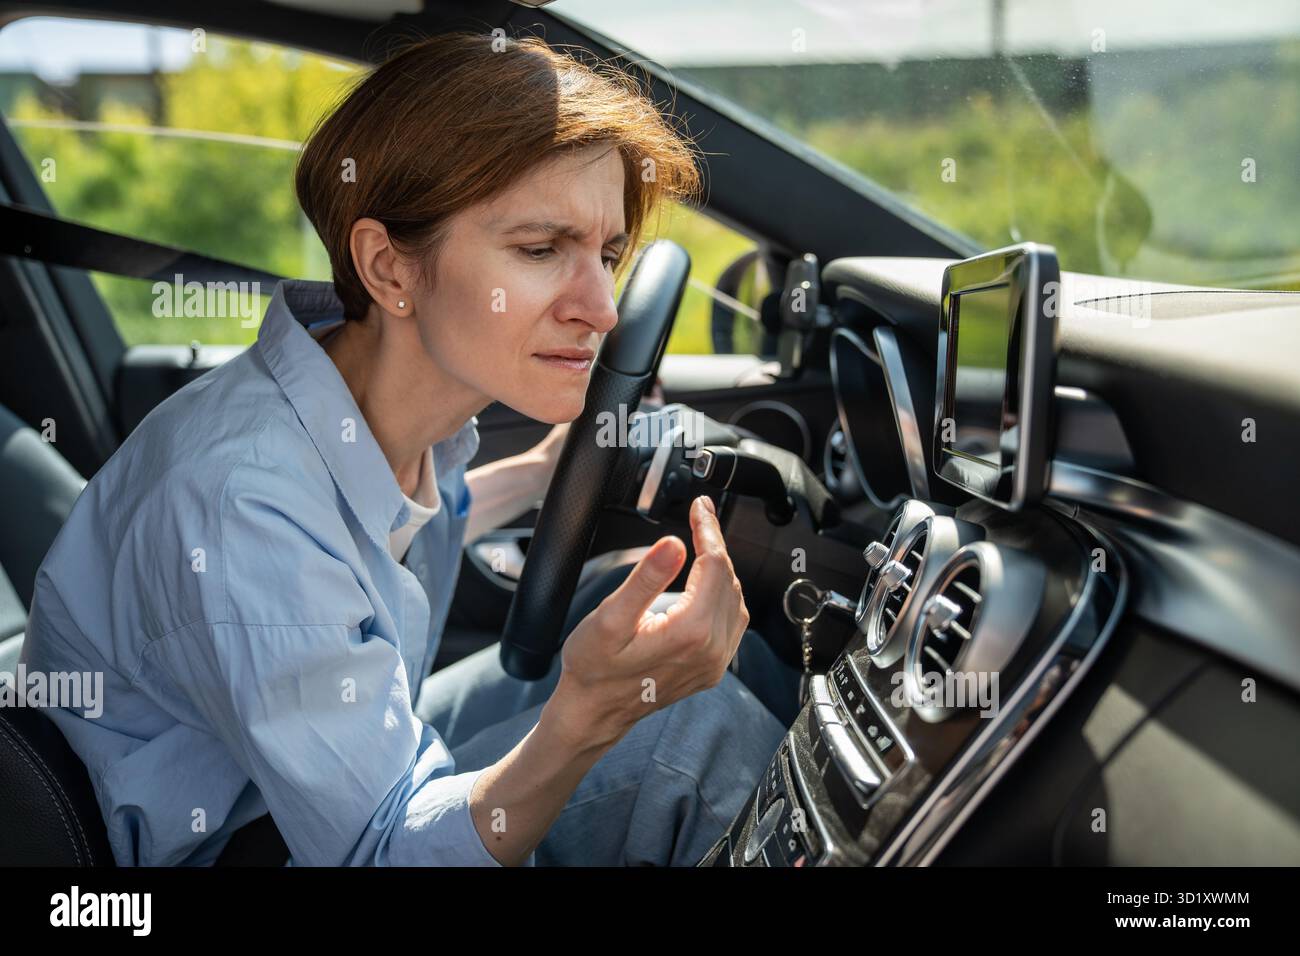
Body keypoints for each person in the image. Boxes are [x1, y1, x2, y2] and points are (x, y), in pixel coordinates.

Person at [22, 31, 792, 866]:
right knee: (693, 733)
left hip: (317, 773)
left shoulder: (376, 413)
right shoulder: (241, 503)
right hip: (257, 842)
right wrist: (589, 712)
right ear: (389, 268)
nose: (602, 309)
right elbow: (384, 851)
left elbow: (396, 528)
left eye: (607, 255)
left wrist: (541, 475)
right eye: (540, 251)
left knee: (687, 635)